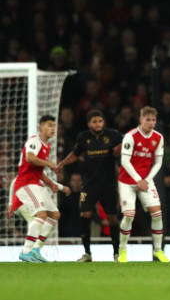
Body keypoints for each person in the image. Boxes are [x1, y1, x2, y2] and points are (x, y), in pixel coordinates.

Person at [56, 109, 123, 262]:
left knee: (112, 218)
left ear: (103, 122)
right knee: (85, 215)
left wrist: (120, 150)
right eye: (94, 122)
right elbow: (75, 154)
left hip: (108, 184)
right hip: (89, 184)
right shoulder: (83, 137)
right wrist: (62, 164)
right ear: (89, 124)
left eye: (100, 121)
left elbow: (128, 143)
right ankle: (87, 253)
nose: (98, 124)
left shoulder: (113, 135)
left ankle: (116, 253)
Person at [8, 115, 71, 262]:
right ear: (41, 127)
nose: (52, 129)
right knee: (41, 215)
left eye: (54, 126)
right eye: (49, 125)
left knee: (55, 215)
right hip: (25, 184)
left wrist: (52, 184)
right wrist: (48, 163)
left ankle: (36, 249)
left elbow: (38, 171)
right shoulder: (34, 141)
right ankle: (26, 251)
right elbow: (30, 158)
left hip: (36, 184)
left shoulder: (46, 146)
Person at [117, 106, 169, 263]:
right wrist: (138, 179)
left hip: (146, 181)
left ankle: (158, 251)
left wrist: (146, 180)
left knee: (157, 214)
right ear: (141, 120)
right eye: (148, 120)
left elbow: (158, 162)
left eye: (153, 120)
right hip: (127, 182)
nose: (151, 123)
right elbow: (125, 161)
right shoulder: (130, 136)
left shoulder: (158, 137)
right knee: (129, 215)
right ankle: (123, 250)